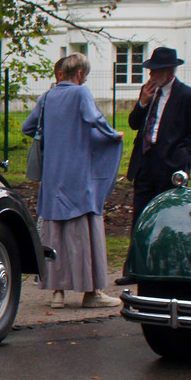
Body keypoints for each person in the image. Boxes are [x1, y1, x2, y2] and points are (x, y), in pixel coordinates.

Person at [21, 53, 123, 309]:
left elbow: (27, 127)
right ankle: (92, 294)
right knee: (85, 233)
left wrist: (54, 137)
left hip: (53, 179)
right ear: (79, 74)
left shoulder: (46, 98)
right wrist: (113, 134)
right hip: (79, 178)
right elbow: (94, 119)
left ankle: (58, 294)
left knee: (55, 233)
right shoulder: (80, 93)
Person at [126, 46, 191, 229]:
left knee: (165, 215)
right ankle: (139, 254)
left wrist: (183, 158)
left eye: (155, 70)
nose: (151, 74)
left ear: (168, 71)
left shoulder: (188, 96)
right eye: (150, 70)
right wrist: (143, 102)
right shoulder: (147, 91)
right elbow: (133, 123)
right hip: (144, 162)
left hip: (169, 162)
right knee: (140, 215)